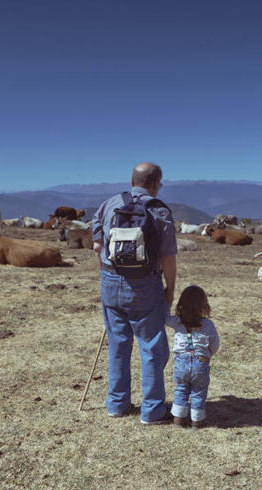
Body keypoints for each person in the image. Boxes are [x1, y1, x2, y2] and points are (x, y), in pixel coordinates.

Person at [91, 162, 177, 424]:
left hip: (110, 281)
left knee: (118, 344)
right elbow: (168, 258)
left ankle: (117, 404)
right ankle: (152, 411)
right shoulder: (158, 210)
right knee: (151, 346)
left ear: (132, 180)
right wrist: (170, 290)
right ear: (155, 184)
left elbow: (97, 246)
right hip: (144, 286)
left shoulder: (109, 204)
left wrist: (107, 277)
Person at [165, 285, 220, 429]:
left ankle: (178, 419)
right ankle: (197, 421)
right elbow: (215, 345)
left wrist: (166, 301)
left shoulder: (176, 321)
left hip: (181, 363)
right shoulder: (208, 324)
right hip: (201, 363)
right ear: (204, 306)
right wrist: (207, 354)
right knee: (199, 392)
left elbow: (164, 318)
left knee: (181, 389)